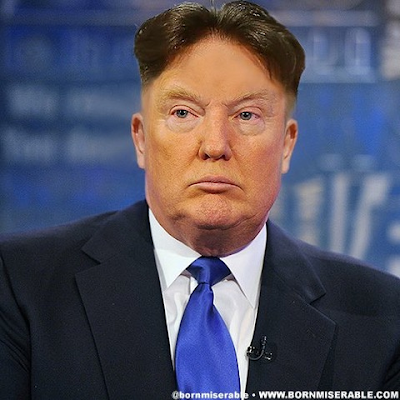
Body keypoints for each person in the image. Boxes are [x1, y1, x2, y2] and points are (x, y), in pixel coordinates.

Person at [1, 1, 400, 399]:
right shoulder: (21, 286)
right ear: (141, 139)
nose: (214, 145)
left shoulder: (384, 317)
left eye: (247, 115)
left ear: (286, 144)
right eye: (183, 113)